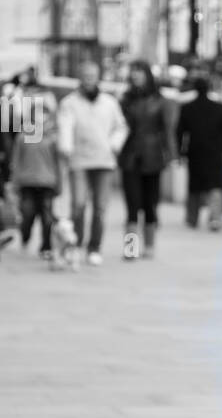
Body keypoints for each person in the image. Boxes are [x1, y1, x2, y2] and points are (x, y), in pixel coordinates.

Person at [57, 59, 128, 266]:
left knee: (100, 207)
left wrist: (114, 145)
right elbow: (65, 126)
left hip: (104, 160)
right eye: (85, 76)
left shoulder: (109, 102)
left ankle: (94, 247)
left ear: (98, 78)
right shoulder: (69, 103)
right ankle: (75, 244)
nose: (89, 80)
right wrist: (66, 147)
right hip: (78, 160)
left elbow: (121, 127)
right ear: (79, 78)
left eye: (92, 76)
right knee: (78, 205)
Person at [119, 61, 174, 259]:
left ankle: (150, 246)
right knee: (132, 205)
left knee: (151, 204)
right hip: (130, 156)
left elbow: (167, 130)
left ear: (147, 76)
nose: (136, 77)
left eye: (139, 73)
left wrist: (171, 155)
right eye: (133, 73)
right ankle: (131, 248)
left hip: (153, 156)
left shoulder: (160, 100)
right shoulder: (125, 100)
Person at [11, 72, 60, 257]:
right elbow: (16, 161)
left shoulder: (52, 138)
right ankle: (25, 237)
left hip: (47, 182)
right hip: (27, 182)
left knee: (48, 218)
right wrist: (14, 183)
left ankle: (46, 247)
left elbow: (58, 164)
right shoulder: (23, 137)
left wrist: (59, 184)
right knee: (28, 215)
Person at [176, 76, 222, 230]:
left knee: (194, 186)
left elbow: (180, 132)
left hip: (195, 151)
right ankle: (215, 218)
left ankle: (192, 218)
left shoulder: (187, 108)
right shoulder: (219, 108)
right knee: (215, 185)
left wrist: (180, 152)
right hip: (215, 151)